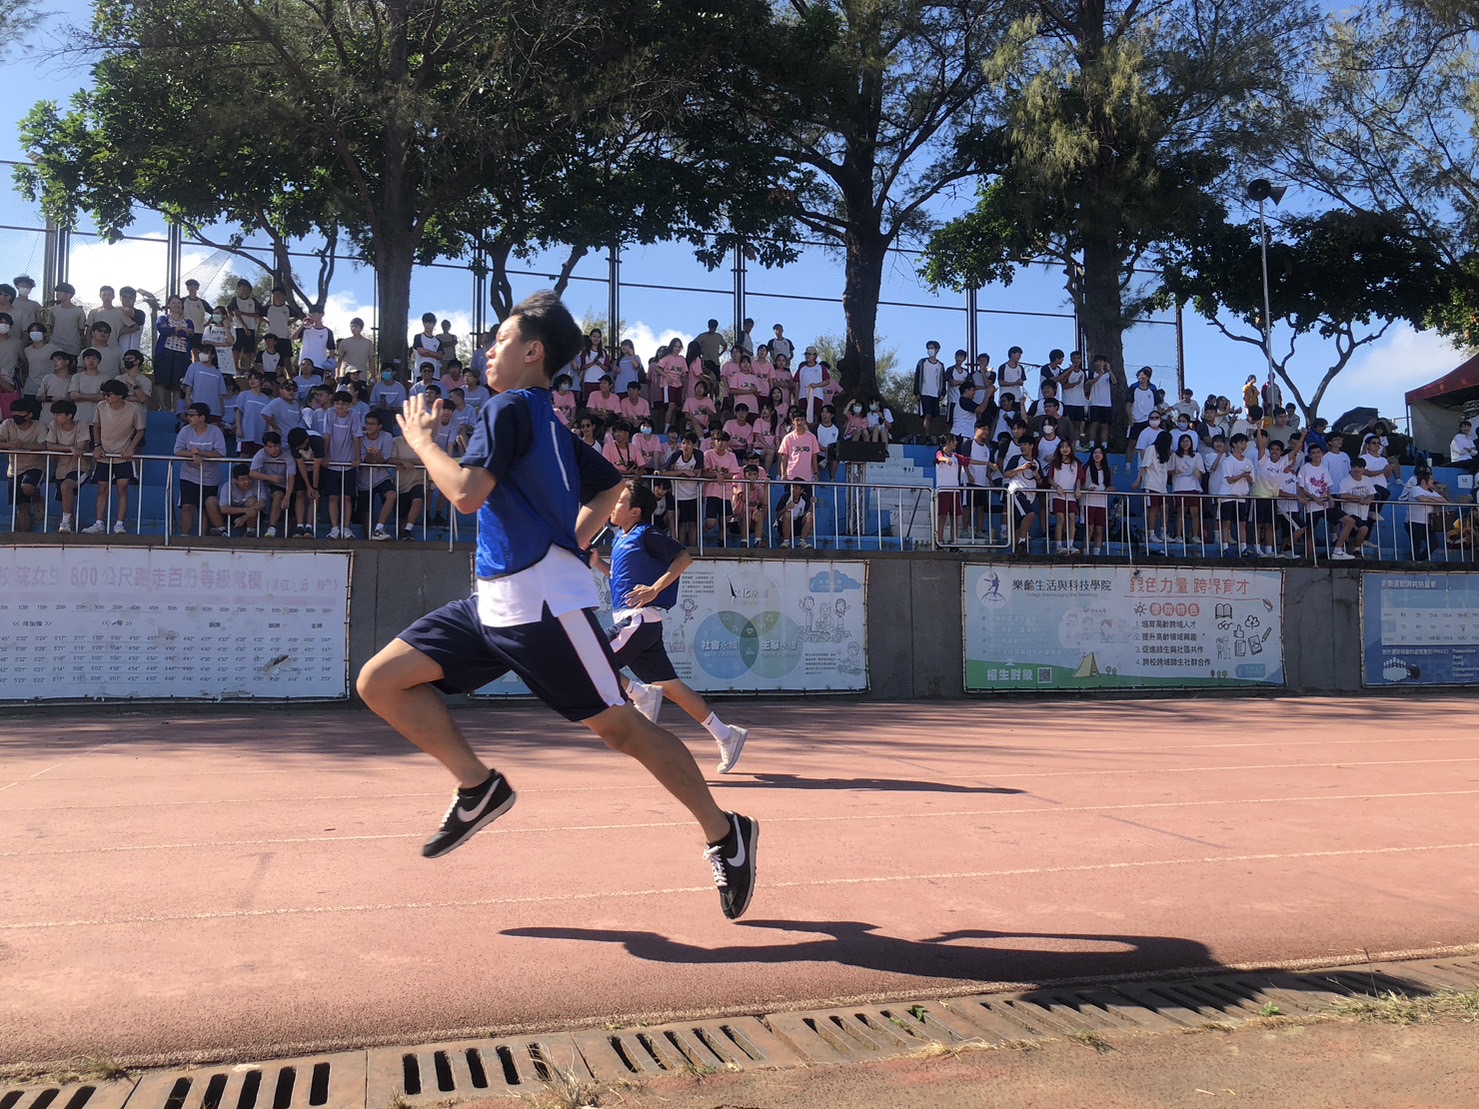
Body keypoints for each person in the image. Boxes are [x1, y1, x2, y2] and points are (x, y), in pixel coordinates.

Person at [354, 292, 758, 921]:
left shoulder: (509, 407)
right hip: (492, 605)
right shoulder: (547, 423)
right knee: (380, 681)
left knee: (622, 728)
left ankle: (725, 832)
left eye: (501, 340)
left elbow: (466, 494)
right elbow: (611, 484)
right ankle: (478, 786)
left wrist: (423, 443)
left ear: (533, 352)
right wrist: (575, 534)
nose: (489, 350)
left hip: (544, 607)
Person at [592, 479, 749, 773]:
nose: (612, 506)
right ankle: (727, 735)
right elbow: (620, 577)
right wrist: (598, 564)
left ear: (635, 511)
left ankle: (640, 694)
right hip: (642, 624)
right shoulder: (621, 538)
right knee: (672, 687)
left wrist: (654, 589)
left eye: (619, 502)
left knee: (591, 658)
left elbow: (683, 558)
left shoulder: (646, 533)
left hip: (637, 620)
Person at [911, 340, 945, 440]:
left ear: (937, 350)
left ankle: (932, 434)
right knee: (927, 415)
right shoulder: (922, 363)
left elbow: (942, 380)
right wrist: (916, 392)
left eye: (932, 348)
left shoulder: (940, 365)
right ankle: (927, 436)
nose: (930, 350)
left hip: (935, 394)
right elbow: (917, 377)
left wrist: (942, 393)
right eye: (929, 348)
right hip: (924, 393)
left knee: (933, 417)